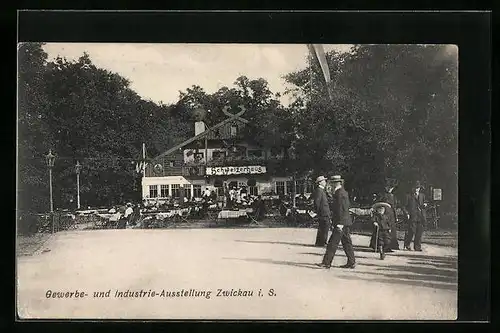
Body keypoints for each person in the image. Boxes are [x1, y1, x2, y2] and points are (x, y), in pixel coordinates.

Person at [317, 175, 356, 269]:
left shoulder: (340, 193)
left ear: (335, 183)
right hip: (345, 222)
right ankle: (351, 262)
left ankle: (326, 263)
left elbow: (341, 209)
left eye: (332, 183)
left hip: (341, 222)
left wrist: (339, 224)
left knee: (332, 243)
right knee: (347, 243)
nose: (331, 184)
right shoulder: (341, 192)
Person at [403, 181, 427, 251]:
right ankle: (407, 245)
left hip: (420, 216)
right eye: (415, 188)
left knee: (419, 232)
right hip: (412, 216)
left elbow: (425, 203)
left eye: (418, 188)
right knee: (411, 231)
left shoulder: (422, 195)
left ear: (420, 188)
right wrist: (407, 213)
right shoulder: (408, 196)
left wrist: (425, 204)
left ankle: (417, 247)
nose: (417, 189)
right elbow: (404, 206)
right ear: (413, 188)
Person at [312, 176, 331, 247]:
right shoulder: (319, 190)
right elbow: (317, 202)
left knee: (322, 227)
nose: (325, 182)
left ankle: (320, 242)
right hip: (323, 213)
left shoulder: (321, 190)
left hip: (324, 212)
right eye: (324, 181)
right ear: (320, 182)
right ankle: (322, 242)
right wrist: (319, 212)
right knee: (325, 227)